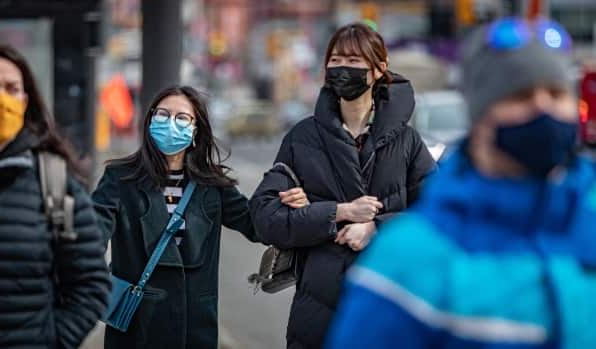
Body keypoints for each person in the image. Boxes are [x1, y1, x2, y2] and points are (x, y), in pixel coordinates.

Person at [326, 18, 596, 349]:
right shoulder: (408, 261)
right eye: (520, 95)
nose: (542, 107)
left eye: (556, 94)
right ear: (480, 116)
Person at [250, 23, 436, 349]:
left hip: (391, 301)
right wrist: (337, 212)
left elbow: (439, 216)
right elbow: (265, 217)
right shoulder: (303, 138)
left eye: (353, 61)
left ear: (378, 69)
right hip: (318, 313)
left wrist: (376, 228)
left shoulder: (407, 142)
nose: (341, 69)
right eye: (335, 61)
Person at [91, 85, 307, 349]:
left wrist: (287, 205)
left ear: (195, 131)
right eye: (162, 114)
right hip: (137, 326)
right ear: (149, 123)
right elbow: (92, 236)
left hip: (194, 327)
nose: (170, 123)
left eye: (181, 118)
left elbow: (257, 227)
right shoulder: (120, 178)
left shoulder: (212, 185)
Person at [0, 43, 110, 348]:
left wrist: (52, 342)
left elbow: (91, 284)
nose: (1, 99)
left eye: (11, 88)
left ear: (25, 100)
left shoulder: (54, 182)